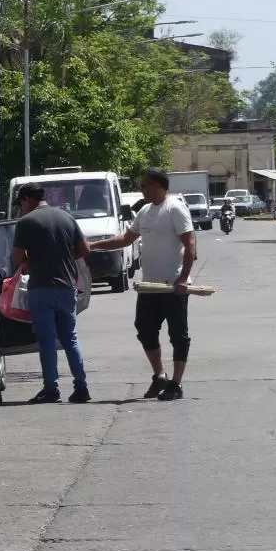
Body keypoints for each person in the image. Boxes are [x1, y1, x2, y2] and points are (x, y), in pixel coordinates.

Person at [89, 168, 195, 401]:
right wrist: (93, 246)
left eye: (144, 185)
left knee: (178, 335)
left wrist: (183, 277)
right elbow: (126, 239)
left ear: (157, 185)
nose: (141, 189)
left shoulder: (174, 208)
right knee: (145, 330)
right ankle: (159, 375)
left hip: (173, 285)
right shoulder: (146, 211)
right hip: (149, 286)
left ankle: (176, 383)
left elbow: (190, 244)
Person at [11, 183, 91, 404]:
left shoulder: (26, 223)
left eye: (22, 203)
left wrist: (31, 259)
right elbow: (85, 249)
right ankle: (81, 385)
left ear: (28, 198)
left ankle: (51, 388)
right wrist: (63, 256)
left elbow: (17, 258)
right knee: (70, 338)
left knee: (46, 340)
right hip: (66, 287)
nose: (22, 208)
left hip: (41, 289)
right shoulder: (66, 218)